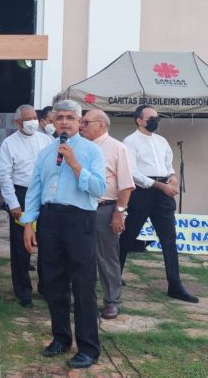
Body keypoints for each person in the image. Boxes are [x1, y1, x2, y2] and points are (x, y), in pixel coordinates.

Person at [20, 99, 105, 369]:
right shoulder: (46, 153)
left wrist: (74, 163)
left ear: (80, 122)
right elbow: (34, 189)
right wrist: (28, 223)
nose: (65, 122)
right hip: (50, 219)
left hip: (79, 219)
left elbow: (98, 188)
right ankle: (60, 338)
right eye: (60, 118)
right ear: (53, 122)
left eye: (70, 117)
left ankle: (88, 347)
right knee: (53, 282)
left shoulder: (92, 151)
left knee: (82, 284)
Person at [120, 105, 198, 304]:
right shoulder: (130, 141)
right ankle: (114, 275)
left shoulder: (161, 141)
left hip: (163, 191)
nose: (156, 120)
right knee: (128, 235)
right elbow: (133, 172)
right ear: (139, 120)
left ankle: (175, 285)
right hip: (143, 192)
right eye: (151, 117)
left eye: (157, 117)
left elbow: (168, 165)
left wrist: (172, 178)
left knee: (169, 239)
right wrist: (159, 186)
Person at [78, 109, 134, 319]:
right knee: (83, 256)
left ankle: (111, 300)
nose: (81, 126)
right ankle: (85, 298)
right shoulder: (81, 147)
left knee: (106, 257)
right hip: (81, 208)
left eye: (86, 122)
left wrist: (119, 212)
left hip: (105, 208)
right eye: (81, 122)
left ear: (101, 124)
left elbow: (126, 185)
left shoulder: (117, 148)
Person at [0, 104, 52, 308]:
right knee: (21, 247)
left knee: (47, 243)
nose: (32, 122)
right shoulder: (9, 144)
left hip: (45, 194)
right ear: (17, 122)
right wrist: (13, 203)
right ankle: (23, 291)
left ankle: (46, 287)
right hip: (21, 194)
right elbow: (4, 175)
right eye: (27, 119)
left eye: (34, 118)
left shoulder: (46, 140)